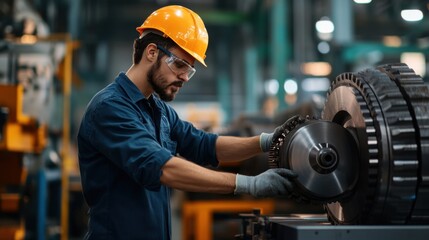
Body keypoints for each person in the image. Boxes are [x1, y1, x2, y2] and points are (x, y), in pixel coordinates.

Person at [77, 5, 297, 240]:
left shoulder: (159, 109)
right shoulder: (110, 108)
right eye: (180, 64)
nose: (184, 77)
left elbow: (205, 145)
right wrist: (248, 184)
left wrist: (266, 141)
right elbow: (163, 168)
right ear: (151, 52)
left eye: (189, 70)